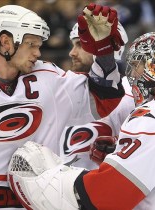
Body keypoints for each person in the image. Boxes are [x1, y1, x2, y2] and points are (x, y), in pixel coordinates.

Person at [8, 32, 155, 210]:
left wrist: (57, 178)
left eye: (137, 65)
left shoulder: (153, 117)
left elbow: (106, 196)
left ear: (154, 68)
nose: (132, 72)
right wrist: (122, 153)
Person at [0, 3, 125, 209]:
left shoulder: (49, 79)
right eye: (31, 45)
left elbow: (104, 100)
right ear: (6, 42)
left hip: (30, 202)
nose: (38, 53)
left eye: (39, 45)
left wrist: (104, 51)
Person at [58, 21, 135, 169]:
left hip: (103, 184)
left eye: (80, 45)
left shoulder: (131, 90)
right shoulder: (65, 86)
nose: (72, 52)